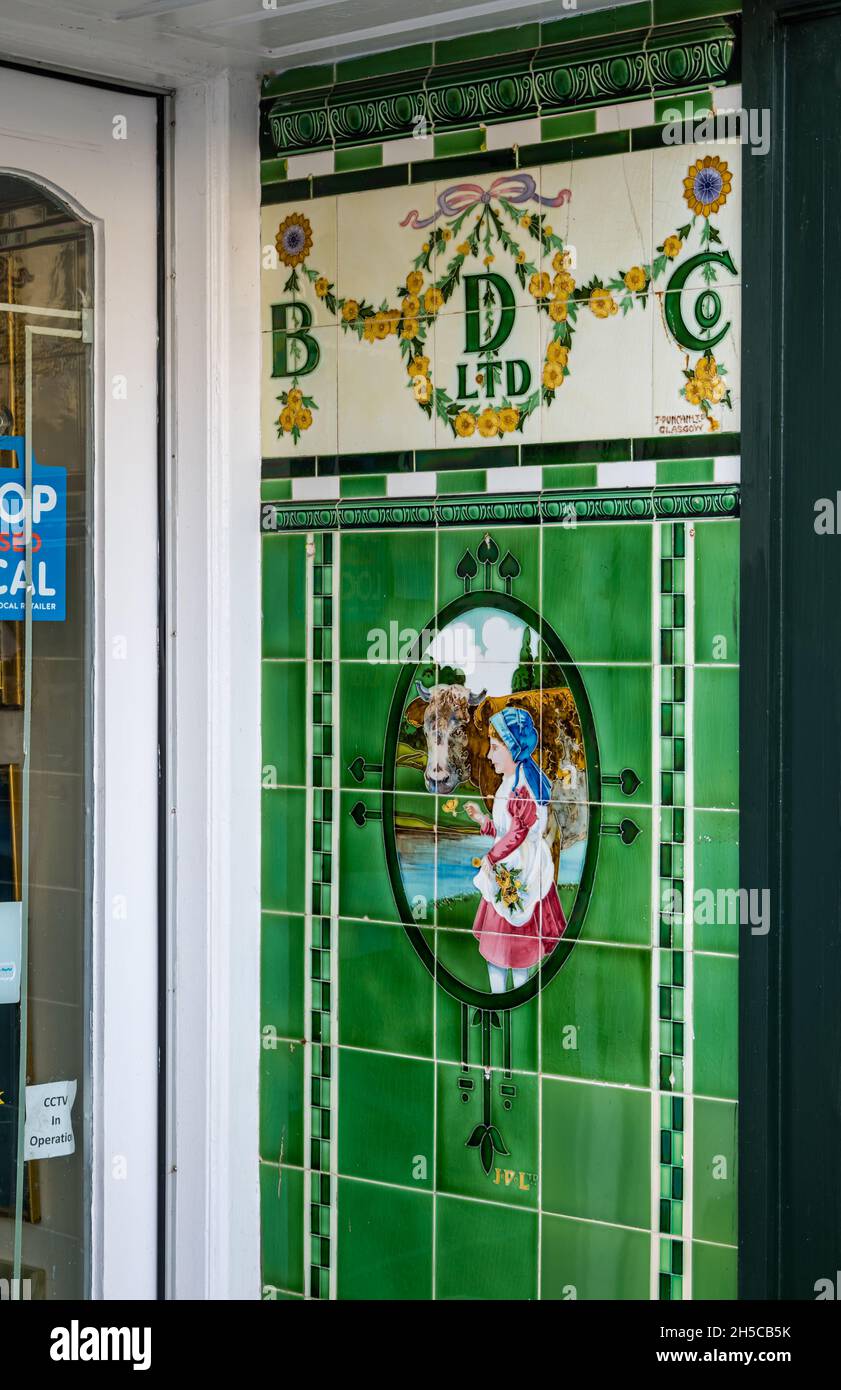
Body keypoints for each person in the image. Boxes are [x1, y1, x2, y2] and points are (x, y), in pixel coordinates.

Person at [464, 705, 566, 993]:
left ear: (513, 749)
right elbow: (507, 829)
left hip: (520, 872)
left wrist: (491, 856)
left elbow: (519, 833)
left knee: (516, 953)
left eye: (495, 747)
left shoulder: (522, 788)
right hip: (508, 868)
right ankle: (502, 998)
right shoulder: (510, 782)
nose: (488, 754)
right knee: (502, 953)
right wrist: (483, 822)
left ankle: (511, 998)